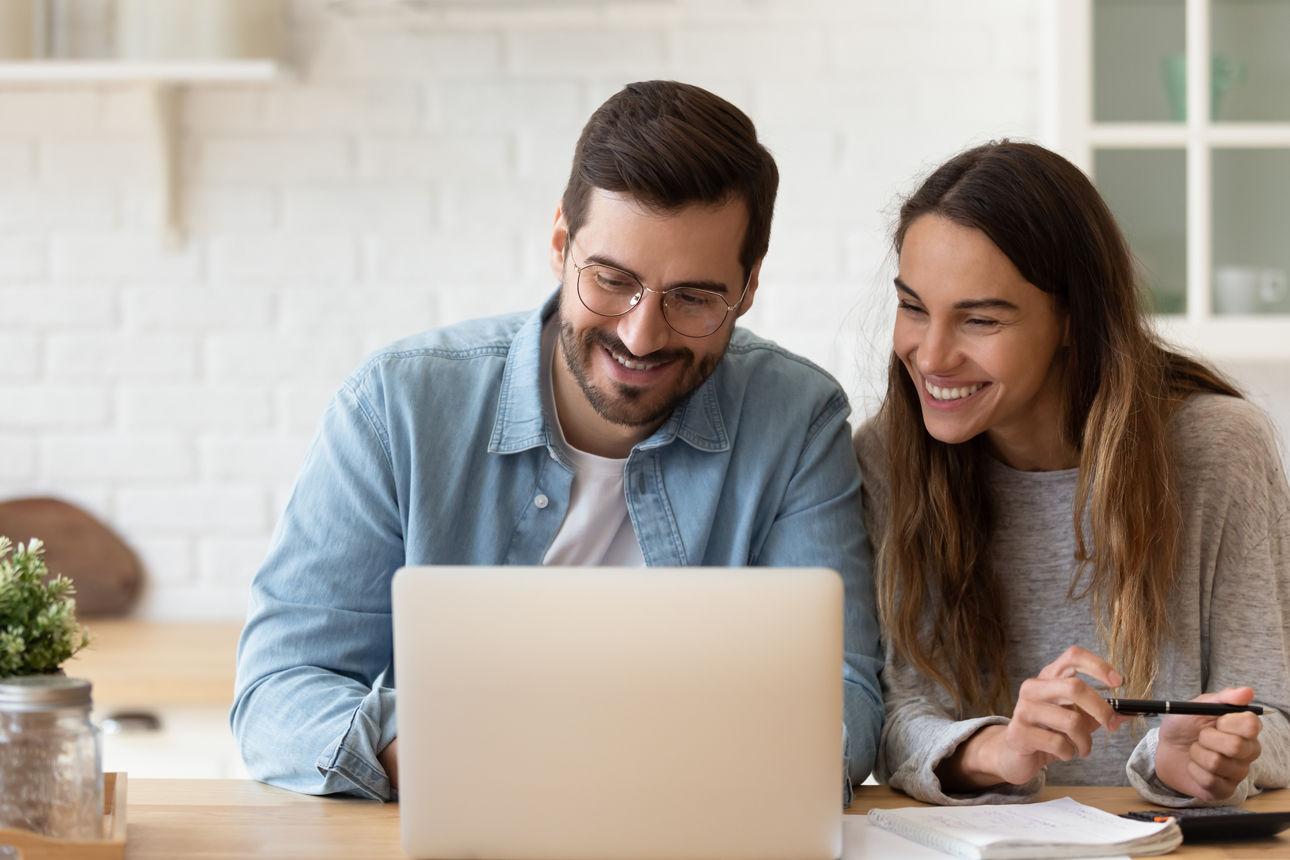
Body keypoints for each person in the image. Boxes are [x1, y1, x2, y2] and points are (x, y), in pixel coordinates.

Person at [231, 80, 883, 801]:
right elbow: (277, 690)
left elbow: (843, 693)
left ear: (749, 286)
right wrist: (422, 750)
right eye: (612, 280)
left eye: (692, 298)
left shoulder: (798, 421)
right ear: (559, 246)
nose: (642, 334)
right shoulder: (397, 407)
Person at [855, 140, 1290, 807]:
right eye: (914, 307)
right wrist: (1001, 749)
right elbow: (897, 718)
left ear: (1071, 320)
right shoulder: (890, 458)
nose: (931, 354)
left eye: (978, 319)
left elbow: (1277, 715)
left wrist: (1199, 759)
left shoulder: (1218, 451)